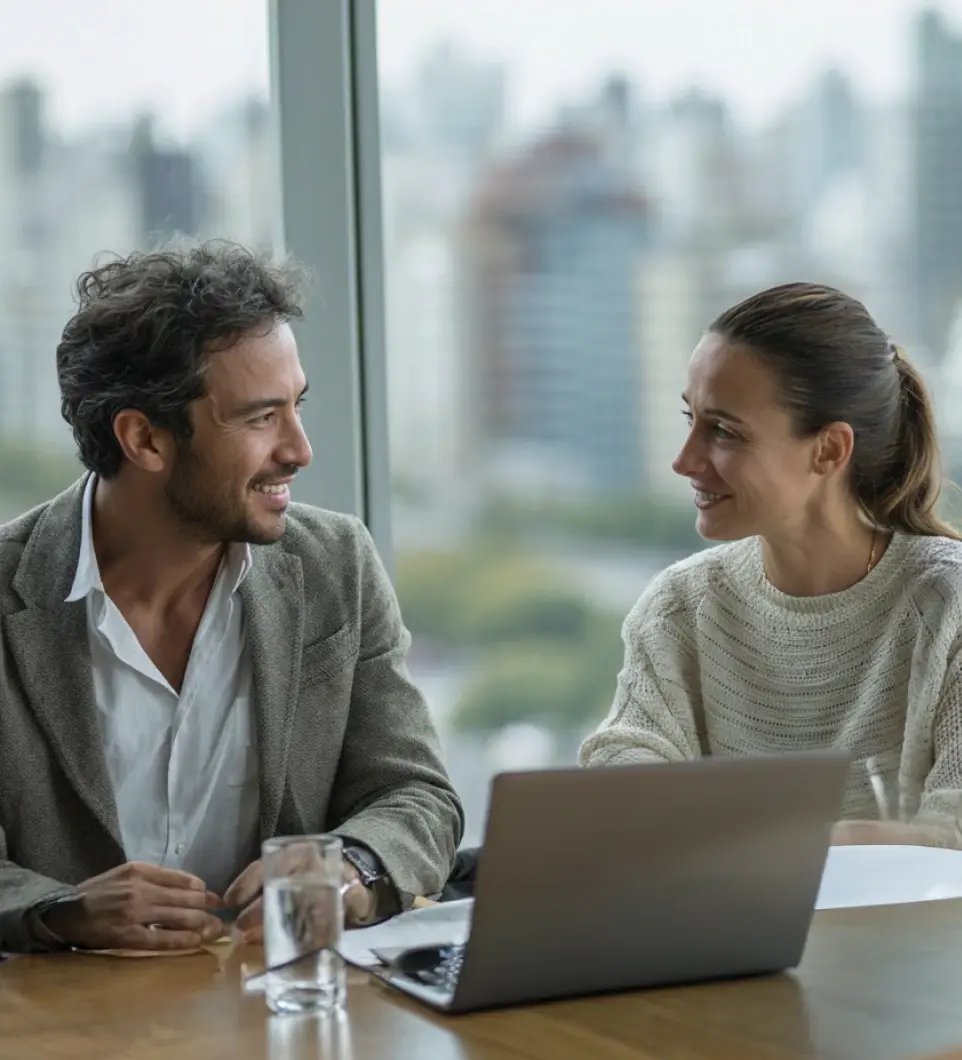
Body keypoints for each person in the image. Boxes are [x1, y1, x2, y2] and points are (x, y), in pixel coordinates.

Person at [0, 242, 463, 953]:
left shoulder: (336, 563)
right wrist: (59, 910)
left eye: (296, 406)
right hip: (68, 1006)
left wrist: (350, 867)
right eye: (260, 418)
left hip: (280, 995)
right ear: (145, 440)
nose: (300, 449)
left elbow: (417, 795)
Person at [580, 282, 962, 848]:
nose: (684, 460)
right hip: (727, 911)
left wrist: (755, 845)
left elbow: (952, 835)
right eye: (690, 418)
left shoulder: (949, 602)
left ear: (829, 450)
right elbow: (621, 766)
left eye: (724, 431)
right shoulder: (680, 608)